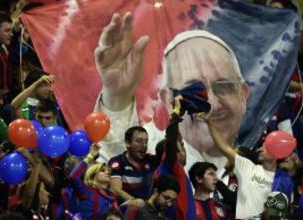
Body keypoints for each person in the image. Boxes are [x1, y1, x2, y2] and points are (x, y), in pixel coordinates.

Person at [93, 12, 250, 173]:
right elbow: (115, 156)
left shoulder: (261, 158)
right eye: (193, 92)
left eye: (223, 87)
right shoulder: (152, 149)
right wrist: (117, 95)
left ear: (243, 95)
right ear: (167, 99)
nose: (212, 105)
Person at [205, 116, 277, 219]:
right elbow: (224, 147)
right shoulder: (248, 167)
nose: (260, 149)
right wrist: (209, 122)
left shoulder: (282, 180)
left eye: (265, 148)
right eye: (261, 146)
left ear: (276, 153)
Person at [108, 126, 160, 202]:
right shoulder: (118, 162)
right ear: (128, 143)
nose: (144, 145)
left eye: (146, 141)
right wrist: (137, 204)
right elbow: (115, 190)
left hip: (149, 210)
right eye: (139, 141)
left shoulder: (151, 160)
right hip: (125, 210)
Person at [69, 144, 118, 220]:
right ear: (92, 175)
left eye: (109, 172)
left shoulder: (112, 197)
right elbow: (73, 177)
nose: (107, 173)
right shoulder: (87, 191)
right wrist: (90, 156)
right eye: (102, 171)